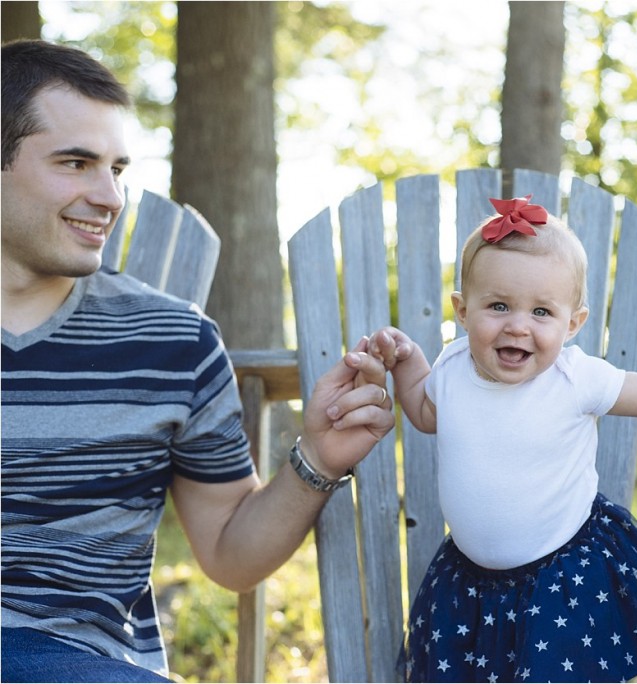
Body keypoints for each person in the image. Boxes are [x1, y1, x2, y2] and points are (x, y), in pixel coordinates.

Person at [0, 39, 394, 682]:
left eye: (117, 170)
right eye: (76, 163)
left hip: (80, 662)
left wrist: (316, 459)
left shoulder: (173, 343)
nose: (109, 197)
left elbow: (229, 555)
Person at [365, 194, 637, 682]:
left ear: (573, 324)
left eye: (541, 312)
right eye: (498, 305)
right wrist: (408, 360)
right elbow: (423, 410)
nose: (518, 325)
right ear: (462, 310)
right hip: (469, 587)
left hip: (560, 583)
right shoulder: (454, 367)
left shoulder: (574, 377)